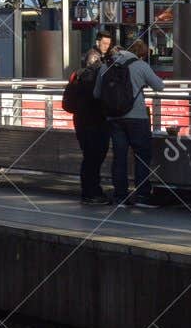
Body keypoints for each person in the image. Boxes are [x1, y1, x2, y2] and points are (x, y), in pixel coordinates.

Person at [93, 35, 166, 205]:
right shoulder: (140, 65)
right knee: (142, 156)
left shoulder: (106, 66)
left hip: (113, 118)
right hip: (137, 117)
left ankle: (120, 196)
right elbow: (159, 86)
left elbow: (97, 94)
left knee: (119, 157)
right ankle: (142, 196)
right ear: (141, 54)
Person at [64, 48, 110, 204]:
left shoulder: (76, 75)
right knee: (95, 157)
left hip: (80, 120)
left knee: (89, 157)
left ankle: (89, 191)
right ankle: (92, 192)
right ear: (97, 61)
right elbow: (99, 97)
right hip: (96, 121)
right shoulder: (97, 76)